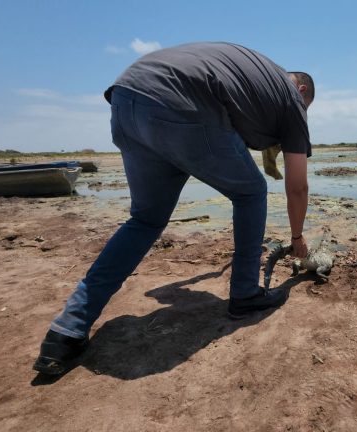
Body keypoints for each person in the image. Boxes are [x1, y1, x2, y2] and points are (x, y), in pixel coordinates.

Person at [33, 42, 314, 375]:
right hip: (183, 104)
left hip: (127, 99)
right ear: (302, 89)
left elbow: (243, 139)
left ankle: (66, 331)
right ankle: (245, 294)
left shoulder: (253, 79)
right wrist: (297, 239)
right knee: (252, 193)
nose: (303, 113)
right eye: (306, 106)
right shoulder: (290, 97)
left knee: (146, 220)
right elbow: (296, 186)